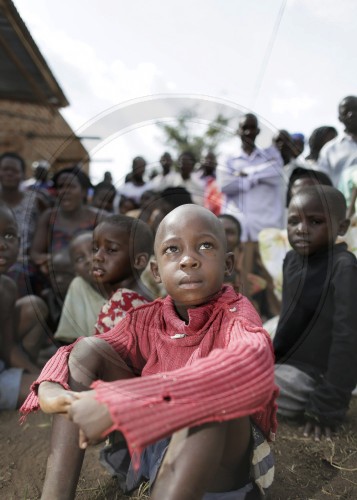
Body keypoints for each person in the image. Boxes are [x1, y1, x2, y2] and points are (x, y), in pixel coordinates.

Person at [21, 205, 277, 500]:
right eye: (172, 249)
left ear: (228, 263)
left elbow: (251, 366)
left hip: (217, 468)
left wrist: (117, 402)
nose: (189, 260)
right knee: (91, 348)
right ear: (155, 270)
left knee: (208, 403)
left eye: (205, 246)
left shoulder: (237, 315)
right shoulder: (146, 318)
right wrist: (54, 389)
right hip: (155, 444)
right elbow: (76, 351)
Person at [274, 185, 357, 440]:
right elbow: (289, 322)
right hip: (283, 366)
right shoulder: (291, 260)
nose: (301, 229)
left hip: (314, 377)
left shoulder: (344, 267)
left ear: (341, 227)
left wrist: (326, 406)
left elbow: (349, 338)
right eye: (293, 221)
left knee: (241, 389)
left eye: (315, 222)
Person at [54, 216, 153, 344]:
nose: (96, 257)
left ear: (139, 261)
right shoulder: (137, 298)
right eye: (95, 249)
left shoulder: (124, 302)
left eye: (111, 250)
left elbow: (107, 357)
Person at [0, 203, 48, 410]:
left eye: (9, 236)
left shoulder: (6, 287)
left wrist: (42, 377)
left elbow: (7, 347)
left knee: (54, 387)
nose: (2, 244)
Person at [30, 166, 104, 279]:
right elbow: (35, 253)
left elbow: (108, 254)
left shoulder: (99, 218)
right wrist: (55, 261)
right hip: (56, 276)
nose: (64, 191)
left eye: (71, 186)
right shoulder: (48, 217)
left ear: (84, 191)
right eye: (60, 187)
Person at [0, 152, 49, 296]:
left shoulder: (36, 202)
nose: (9, 174)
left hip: (25, 261)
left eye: (14, 170)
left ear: (22, 174)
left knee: (18, 276)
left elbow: (46, 229)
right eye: (5, 169)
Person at [318, 96, 357, 187]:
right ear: (340, 118)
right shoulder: (329, 150)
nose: (351, 114)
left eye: (355, 109)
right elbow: (323, 183)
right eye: (346, 111)